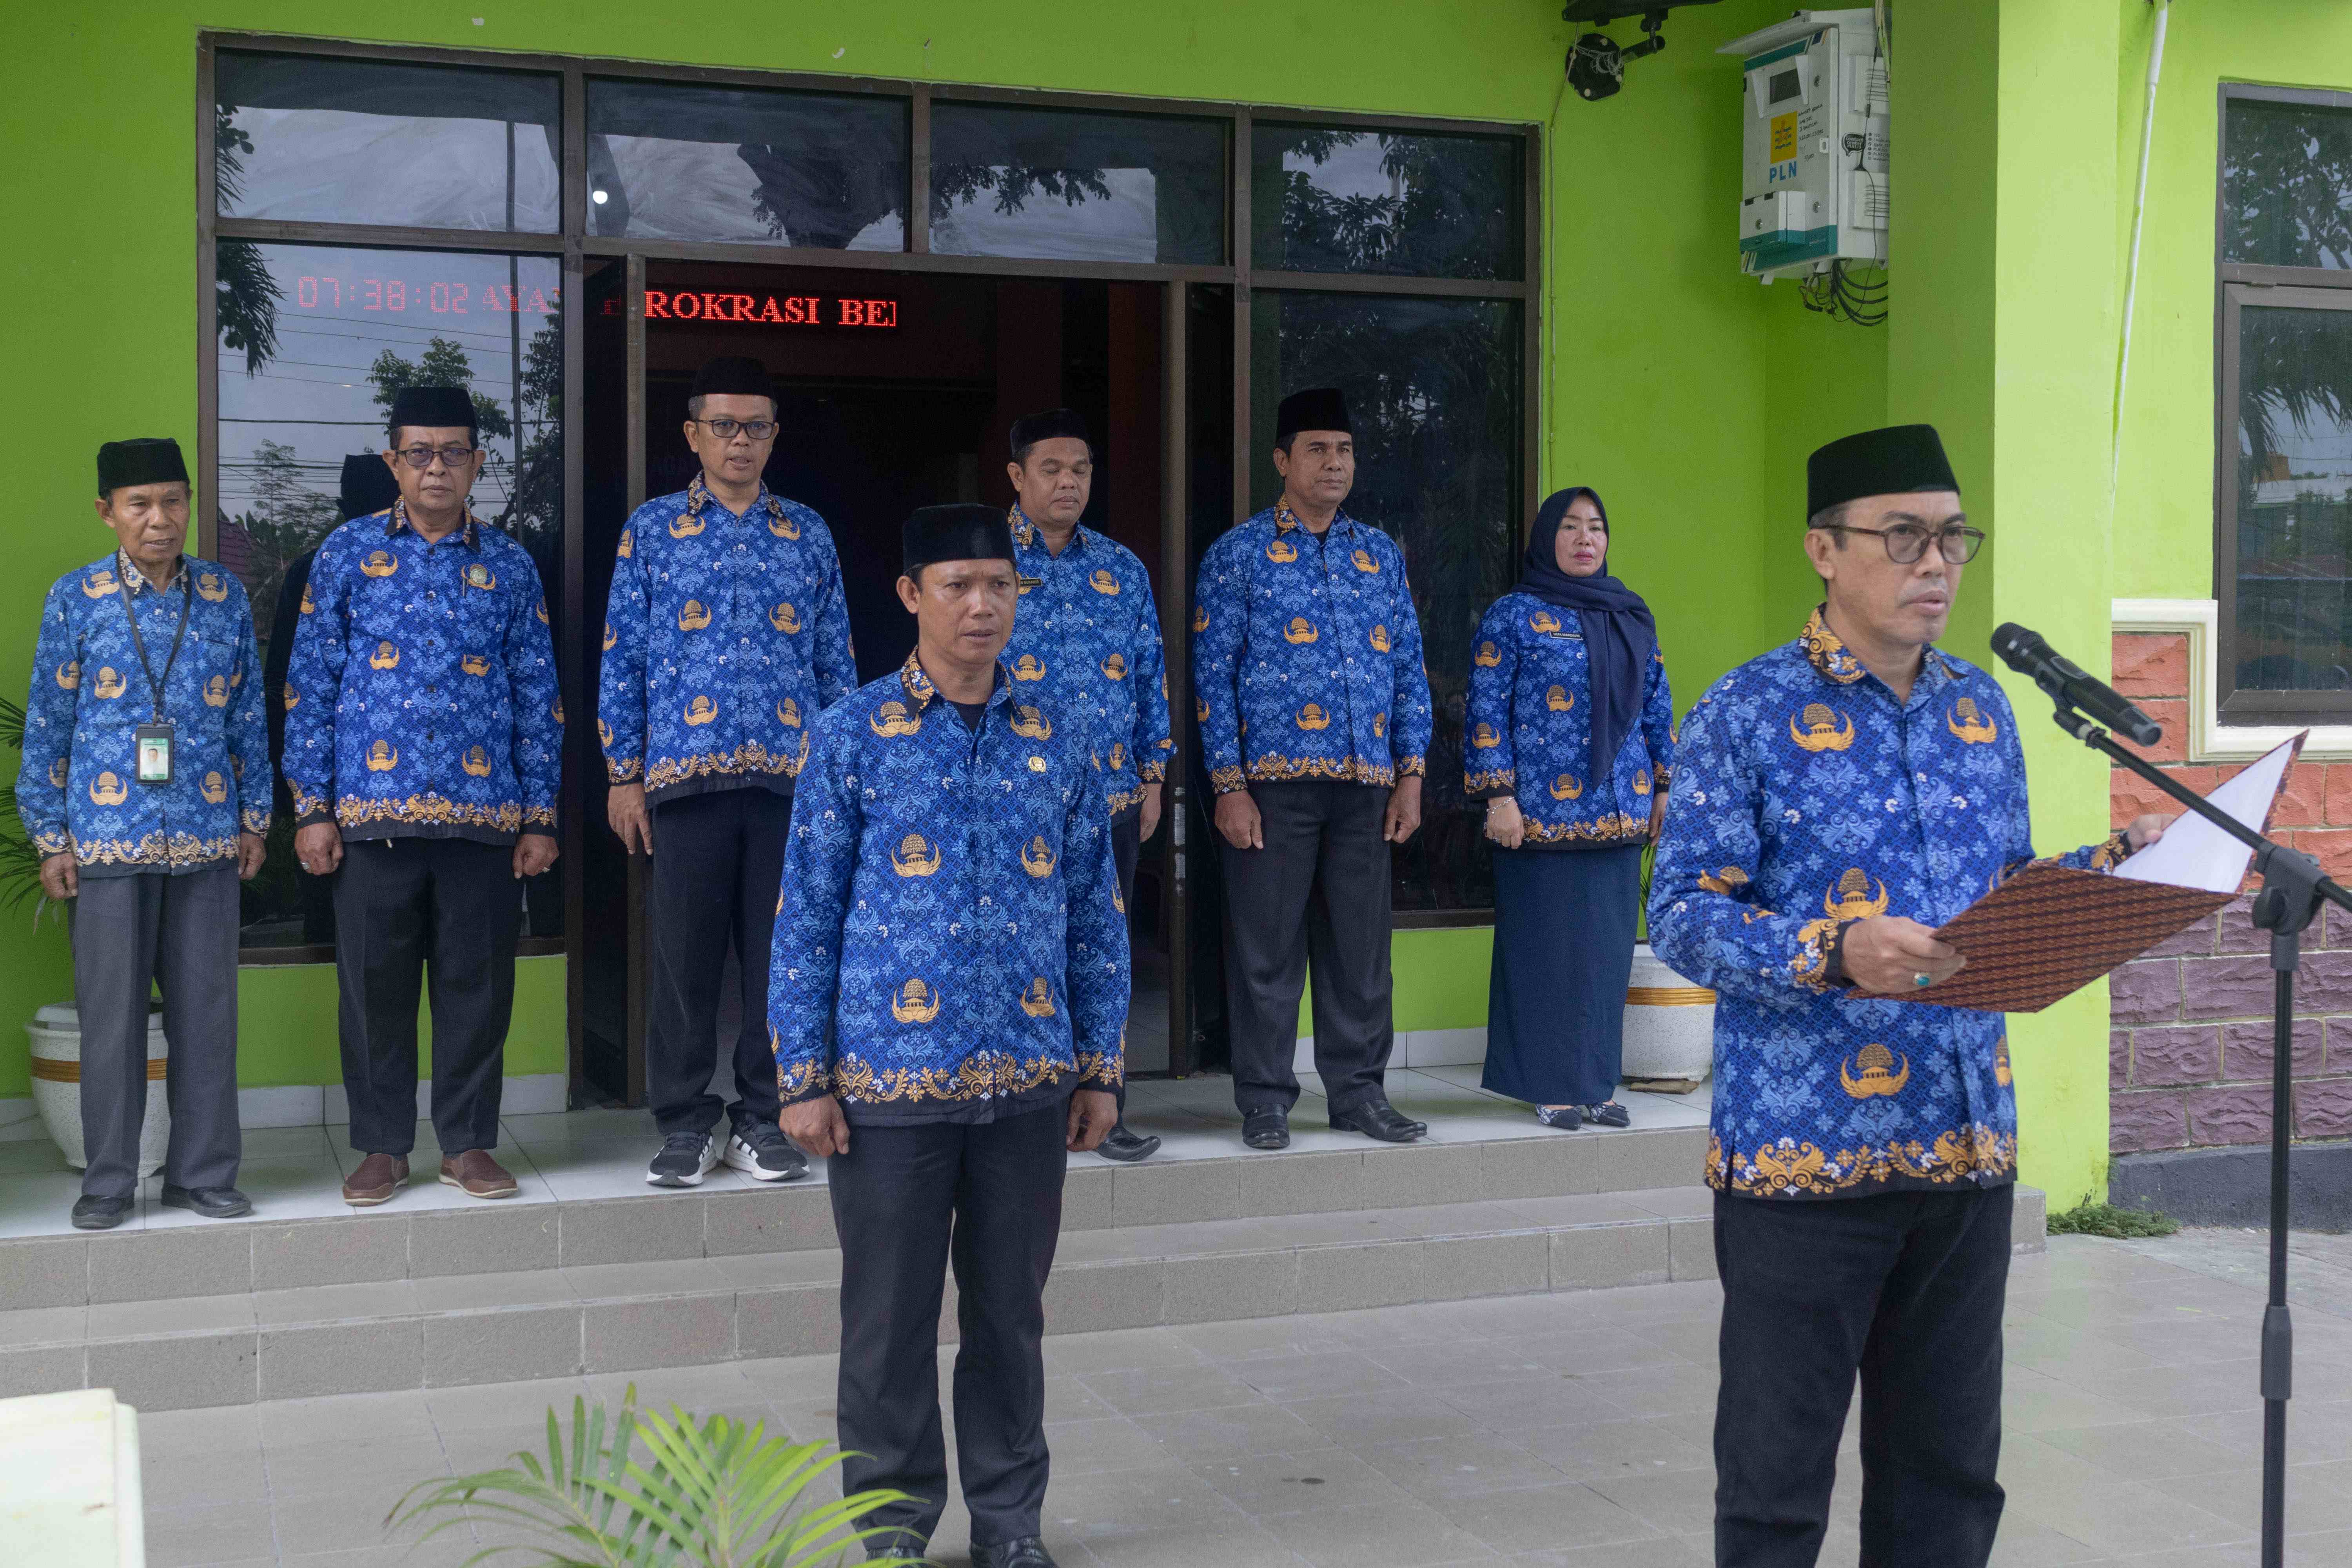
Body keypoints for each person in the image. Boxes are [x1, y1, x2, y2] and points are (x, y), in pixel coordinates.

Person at [1646, 424, 2171, 1568]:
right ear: (1822, 550)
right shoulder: (1743, 710)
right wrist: (1834, 949)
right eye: (1901, 536)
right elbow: (1681, 912)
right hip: (1803, 1161)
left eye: (1951, 538)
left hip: (1962, 1148)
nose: (1934, 563)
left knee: (1947, 1480)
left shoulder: (1983, 711)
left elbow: (2004, 898)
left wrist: (2117, 869)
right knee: (1777, 1486)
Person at [771, 504, 1127, 1568]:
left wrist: (1101, 1067)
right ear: (910, 595)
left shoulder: (1060, 732)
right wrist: (803, 1076)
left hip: (1029, 1081)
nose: (981, 606)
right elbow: (806, 914)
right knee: (887, 1324)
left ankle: (1010, 1525)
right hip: (889, 1088)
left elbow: (1094, 912)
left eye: (999, 586)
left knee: (1011, 1321)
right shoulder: (851, 734)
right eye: (958, 585)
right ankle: (890, 1533)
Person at [284, 385, 563, 1208]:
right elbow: (311, 685)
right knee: (375, 993)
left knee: (478, 990)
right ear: (394, 461)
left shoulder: (510, 563)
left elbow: (536, 691)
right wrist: (312, 808)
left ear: (476, 462)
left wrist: (540, 814)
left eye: (453, 452)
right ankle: (382, 1147)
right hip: (372, 817)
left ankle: (468, 1145)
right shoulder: (346, 554)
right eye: (419, 452)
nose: (436, 467)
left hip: (484, 816)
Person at [600, 355, 854, 1187]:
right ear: (693, 434)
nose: (739, 441)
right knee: (684, 960)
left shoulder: (808, 532)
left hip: (791, 780)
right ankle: (683, 1121)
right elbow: (624, 656)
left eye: (755, 427)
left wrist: (844, 776)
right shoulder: (651, 530)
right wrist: (623, 773)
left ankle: (763, 1115)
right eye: (723, 426)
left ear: (774, 436)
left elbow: (835, 662)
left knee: (782, 955)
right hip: (684, 779)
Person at [17, 438, 268, 1229]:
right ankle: (108, 1184)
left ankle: (202, 1175)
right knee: (112, 1023)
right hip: (107, 841)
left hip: (206, 835)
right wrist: (51, 837)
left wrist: (255, 819)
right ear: (108, 512)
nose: (159, 519)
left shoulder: (224, 596)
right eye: (140, 504)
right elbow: (49, 726)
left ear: (189, 504)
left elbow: (248, 717)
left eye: (173, 501)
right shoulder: (77, 597)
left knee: (207, 1017)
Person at [1190, 386, 1433, 1151]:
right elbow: (1212, 676)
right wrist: (1228, 785)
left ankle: (1359, 1093)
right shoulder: (1238, 554)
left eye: (1345, 449)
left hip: (1366, 786)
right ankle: (1265, 1099)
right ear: (1282, 460)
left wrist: (1411, 773)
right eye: (1318, 449)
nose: (1335, 463)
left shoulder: (1379, 554)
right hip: (1271, 788)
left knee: (1361, 953)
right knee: (1267, 952)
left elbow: (1408, 668)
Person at [1467, 486, 1672, 1130]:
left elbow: (1657, 706)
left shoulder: (1630, 615)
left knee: (1605, 960)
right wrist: (1498, 795)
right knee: (1546, 955)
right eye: (1571, 527)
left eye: (1597, 527)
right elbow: (1485, 709)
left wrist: (1664, 788)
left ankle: (1594, 1086)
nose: (1586, 538)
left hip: (1619, 813)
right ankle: (1549, 1085)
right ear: (1546, 538)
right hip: (1536, 818)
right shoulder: (1513, 616)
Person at [1002, 407, 1171, 1164]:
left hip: (1111, 798)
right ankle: (1026, 1107)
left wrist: (1154, 773)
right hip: (1014, 799)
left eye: (1080, 470)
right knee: (1020, 947)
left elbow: (1150, 675)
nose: (1068, 482)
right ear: (1018, 475)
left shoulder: (1121, 568)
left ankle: (1105, 1106)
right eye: (1051, 469)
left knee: (1102, 952)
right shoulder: (985, 560)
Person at [265, 454, 402, 945]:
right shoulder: (318, 568)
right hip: (335, 784)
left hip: (361, 788)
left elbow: (279, 685)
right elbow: (290, 684)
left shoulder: (316, 565)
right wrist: (299, 800)